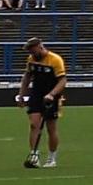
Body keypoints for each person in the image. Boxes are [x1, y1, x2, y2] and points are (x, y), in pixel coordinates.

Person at [20, 38, 67, 168]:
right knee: (34, 125)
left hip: (52, 96)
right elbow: (27, 77)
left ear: (39, 46)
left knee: (51, 127)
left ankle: (52, 158)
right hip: (36, 94)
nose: (30, 52)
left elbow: (62, 81)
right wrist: (22, 95)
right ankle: (34, 155)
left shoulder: (55, 60)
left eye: (32, 49)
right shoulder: (31, 59)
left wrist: (52, 94)